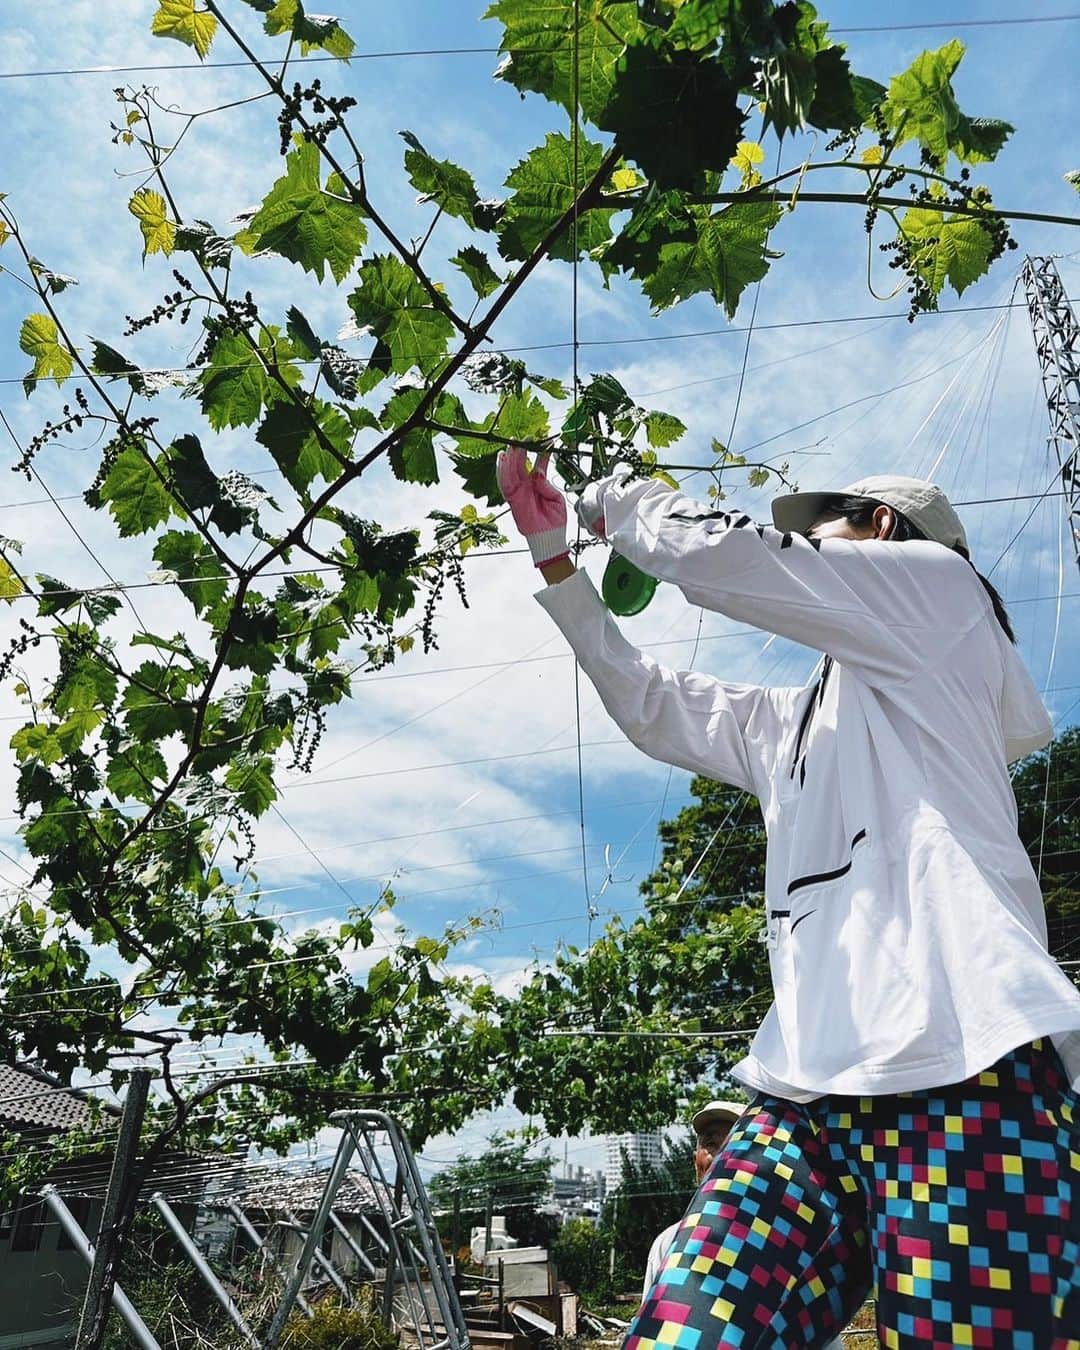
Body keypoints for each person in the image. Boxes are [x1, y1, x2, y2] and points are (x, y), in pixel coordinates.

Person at [497, 448, 1080, 1348]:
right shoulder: (793, 723)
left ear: (883, 529)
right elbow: (651, 702)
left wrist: (621, 500)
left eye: (821, 528)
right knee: (686, 1330)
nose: (801, 544)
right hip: (805, 1097)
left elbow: (734, 558)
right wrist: (556, 562)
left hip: (965, 1067)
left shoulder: (942, 598)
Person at [641, 1100, 747, 1299]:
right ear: (695, 1162)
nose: (722, 1156)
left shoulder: (773, 1242)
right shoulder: (669, 1243)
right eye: (711, 1144)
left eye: (734, 1144)